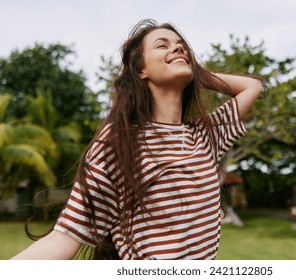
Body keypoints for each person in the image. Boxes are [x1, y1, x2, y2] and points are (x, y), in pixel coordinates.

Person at [11, 19, 263, 260]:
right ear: (141, 69)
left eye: (181, 45)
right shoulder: (119, 142)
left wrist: (192, 70)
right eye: (162, 45)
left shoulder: (204, 137)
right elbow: (64, 238)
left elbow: (252, 86)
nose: (179, 47)